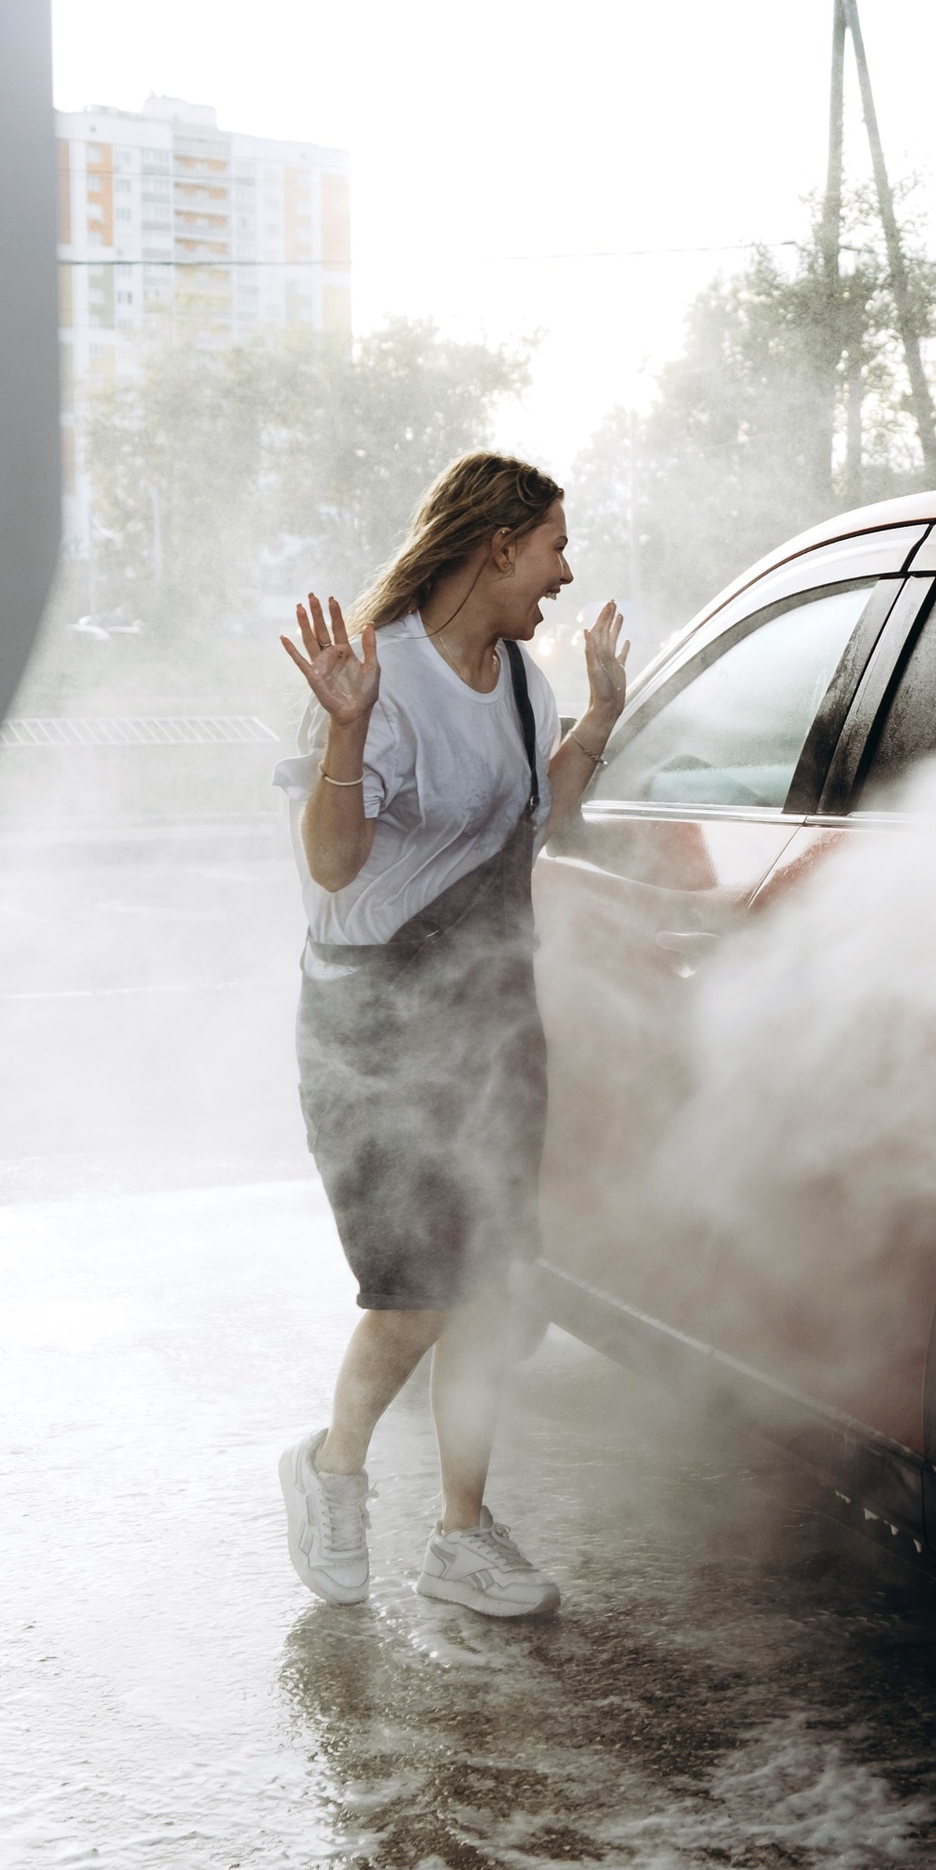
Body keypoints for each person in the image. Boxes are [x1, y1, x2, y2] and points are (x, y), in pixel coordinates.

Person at [274, 451, 629, 1619]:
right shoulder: (381, 675)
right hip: (373, 1020)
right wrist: (344, 731)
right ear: (496, 547)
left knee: (486, 1285)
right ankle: (331, 1470)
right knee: (419, 1290)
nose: (565, 572)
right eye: (554, 545)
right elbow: (330, 868)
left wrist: (600, 720)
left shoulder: (520, 678)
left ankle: (461, 1536)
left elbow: (540, 813)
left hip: (488, 1013)